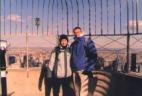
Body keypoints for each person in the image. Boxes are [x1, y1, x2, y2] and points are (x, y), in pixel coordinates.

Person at [70, 27, 98, 96]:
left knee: (83, 92)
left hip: (83, 70)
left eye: (78, 32)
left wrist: (89, 69)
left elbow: (94, 55)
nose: (76, 34)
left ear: (81, 32)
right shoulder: (73, 44)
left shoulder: (87, 42)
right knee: (76, 91)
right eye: (75, 32)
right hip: (74, 70)